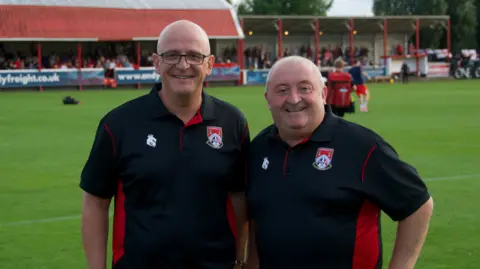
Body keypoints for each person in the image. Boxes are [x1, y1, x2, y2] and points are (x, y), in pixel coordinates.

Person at [80, 20, 249, 269]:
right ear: (157, 63)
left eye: (194, 56)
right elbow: (96, 201)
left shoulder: (232, 122)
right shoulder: (118, 124)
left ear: (210, 64)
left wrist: (238, 259)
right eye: (171, 55)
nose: (183, 65)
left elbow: (239, 197)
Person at [245, 56, 434, 269]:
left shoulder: (362, 147)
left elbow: (418, 205)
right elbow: (256, 221)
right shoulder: (258, 149)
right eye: (282, 90)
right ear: (267, 98)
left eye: (305, 88)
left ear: (324, 94)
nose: (294, 98)